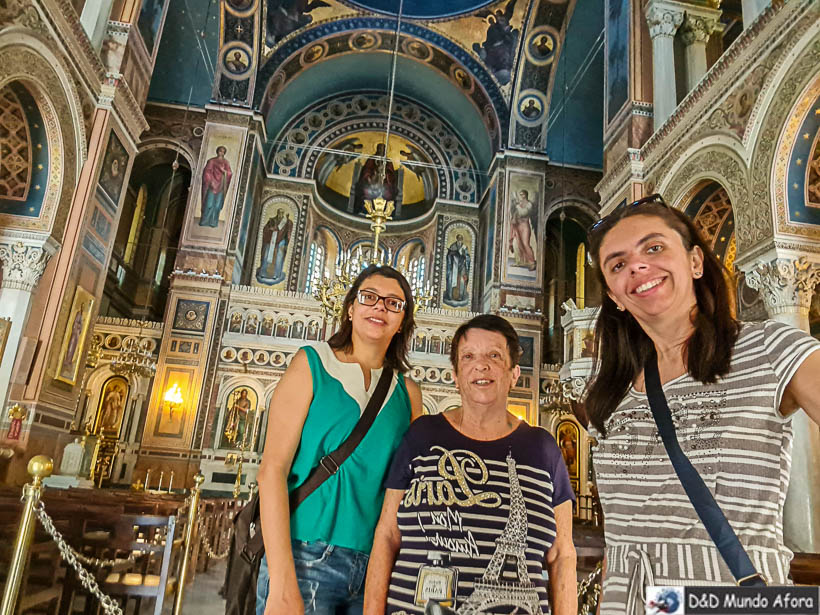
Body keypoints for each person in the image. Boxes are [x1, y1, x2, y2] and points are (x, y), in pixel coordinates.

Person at [584, 195, 820, 613]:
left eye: (654, 248)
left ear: (695, 262)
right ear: (615, 296)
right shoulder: (609, 391)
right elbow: (620, 537)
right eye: (618, 264)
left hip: (724, 599)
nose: (637, 266)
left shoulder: (768, 348)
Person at [364, 314, 577, 615]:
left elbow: (562, 554)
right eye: (469, 356)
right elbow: (387, 535)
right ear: (455, 373)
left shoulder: (543, 449)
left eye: (494, 355)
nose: (481, 365)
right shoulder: (422, 435)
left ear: (514, 373)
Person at [256, 265, 423, 615]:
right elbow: (271, 471)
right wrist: (283, 582)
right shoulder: (312, 364)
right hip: (303, 556)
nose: (380, 308)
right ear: (350, 308)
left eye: (394, 303)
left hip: (377, 566)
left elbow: (406, 489)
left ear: (403, 320)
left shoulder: (408, 394)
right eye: (369, 297)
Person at [200, 146, 232, 228]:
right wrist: (210, 181)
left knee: (217, 205)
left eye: (223, 151)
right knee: (209, 204)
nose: (221, 152)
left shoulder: (226, 162)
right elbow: (207, 172)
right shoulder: (212, 161)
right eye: (220, 151)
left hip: (221, 185)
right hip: (212, 185)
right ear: (217, 151)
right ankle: (204, 220)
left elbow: (229, 173)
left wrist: (224, 171)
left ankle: (213, 222)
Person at [509, 190, 537, 270]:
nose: (522, 196)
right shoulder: (519, 203)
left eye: (523, 195)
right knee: (517, 243)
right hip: (517, 226)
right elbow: (515, 213)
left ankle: (532, 262)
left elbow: (523, 212)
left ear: (526, 195)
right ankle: (520, 261)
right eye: (520, 195)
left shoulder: (529, 204)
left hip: (524, 226)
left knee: (525, 244)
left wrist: (517, 206)